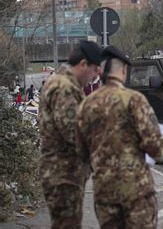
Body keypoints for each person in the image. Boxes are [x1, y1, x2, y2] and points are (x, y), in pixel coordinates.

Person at [77, 45, 163, 229]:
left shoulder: (87, 105)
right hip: (136, 191)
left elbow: (80, 150)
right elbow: (157, 150)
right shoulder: (134, 100)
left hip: (104, 191)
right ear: (124, 70)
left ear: (101, 71)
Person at [38, 40, 102, 229]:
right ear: (83, 64)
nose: (93, 79)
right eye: (93, 72)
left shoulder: (63, 82)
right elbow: (75, 132)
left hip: (65, 172)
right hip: (63, 174)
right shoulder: (65, 87)